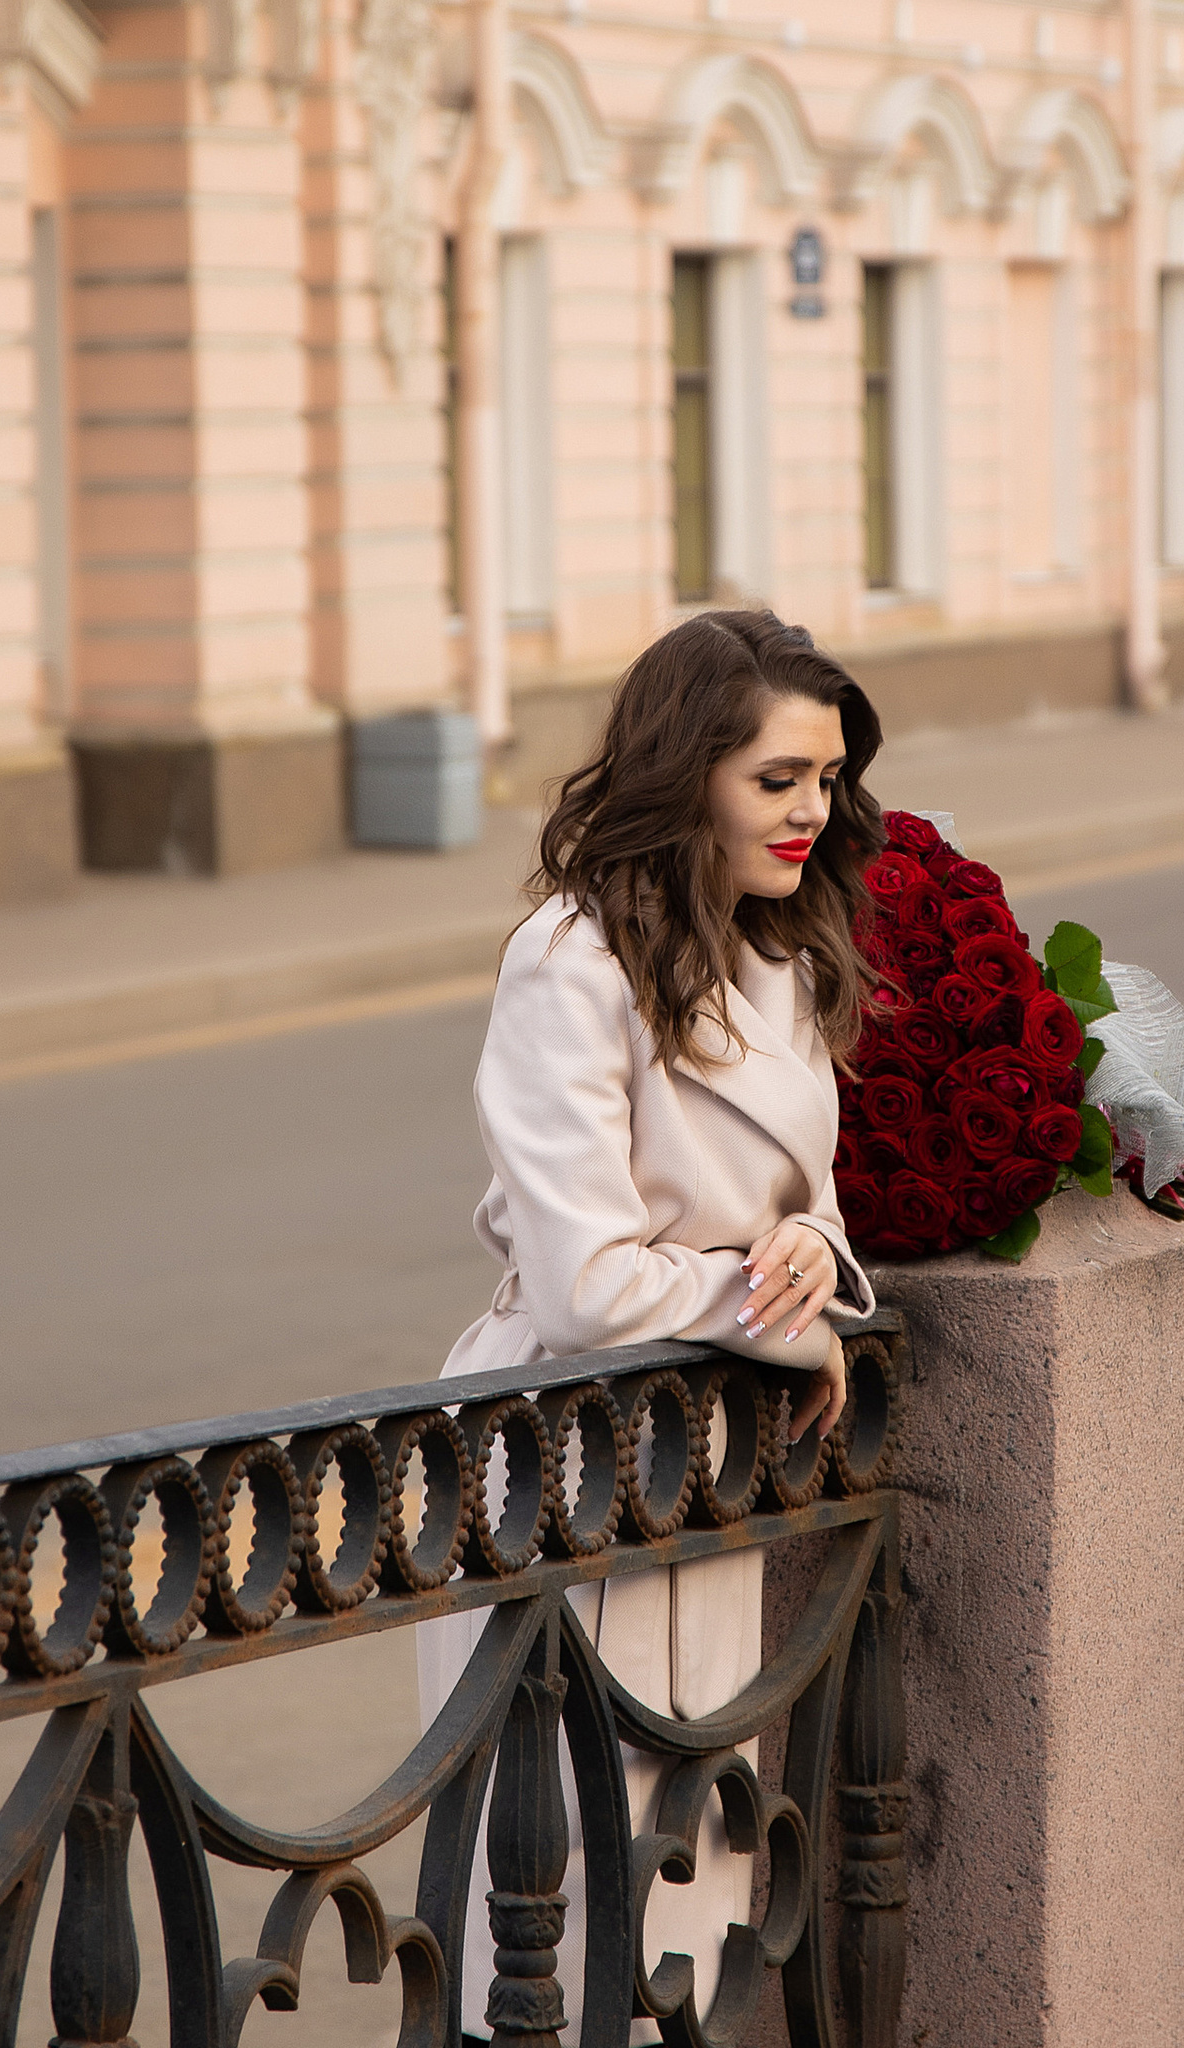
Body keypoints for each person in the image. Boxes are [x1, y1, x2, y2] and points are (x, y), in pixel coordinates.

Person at [415, 608, 886, 2045]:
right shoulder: (570, 962)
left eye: (827, 779)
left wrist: (811, 1241)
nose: (814, 812)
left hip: (704, 1464)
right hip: (560, 1451)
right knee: (545, 1916)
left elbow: (791, 1196)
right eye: (778, 781)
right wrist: (785, 1318)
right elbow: (589, 1287)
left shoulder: (782, 951)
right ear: (689, 776)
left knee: (696, 1886)